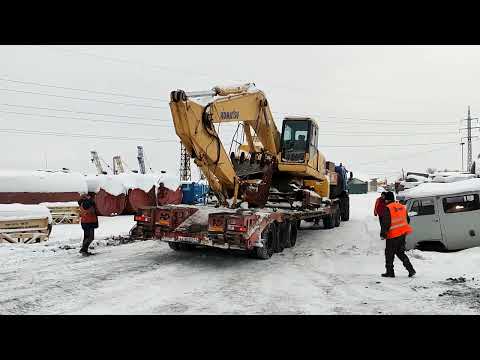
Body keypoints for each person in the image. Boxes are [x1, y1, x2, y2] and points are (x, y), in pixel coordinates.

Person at [380, 191, 416, 278]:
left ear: (387, 199)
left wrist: (383, 234)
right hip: (402, 233)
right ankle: (410, 269)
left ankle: (390, 272)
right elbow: (407, 219)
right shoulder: (401, 206)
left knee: (389, 253)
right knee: (400, 252)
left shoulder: (388, 208)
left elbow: (385, 222)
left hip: (393, 235)